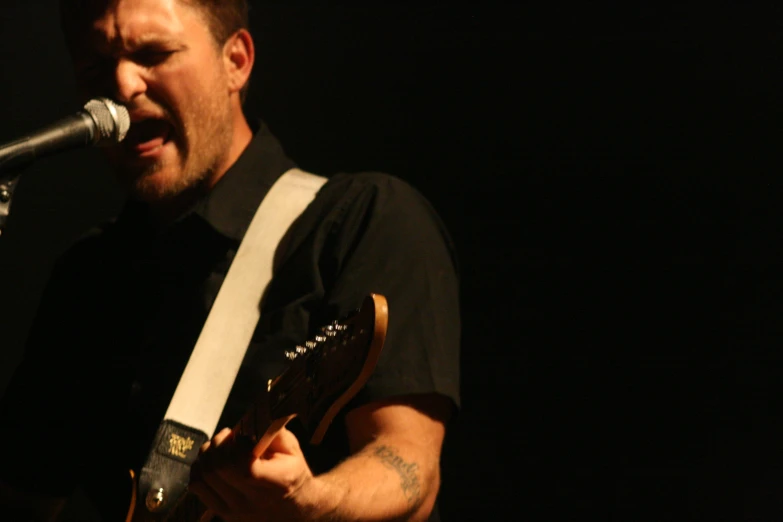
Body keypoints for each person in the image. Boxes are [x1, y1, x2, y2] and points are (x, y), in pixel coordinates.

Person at [0, 0, 461, 521]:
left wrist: (311, 503)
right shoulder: (86, 277)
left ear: (236, 61)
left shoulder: (362, 218)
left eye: (153, 53)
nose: (122, 85)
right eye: (94, 66)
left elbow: (410, 468)